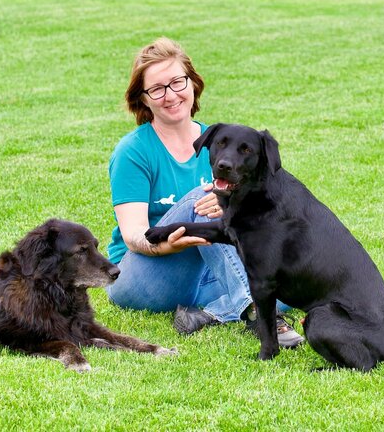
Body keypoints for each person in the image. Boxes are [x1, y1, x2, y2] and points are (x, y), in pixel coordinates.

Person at [105, 37, 303, 348]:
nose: (170, 95)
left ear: (193, 84)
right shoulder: (133, 151)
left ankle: (208, 313)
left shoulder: (223, 142)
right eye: (157, 89)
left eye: (177, 82)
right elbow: (134, 235)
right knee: (204, 199)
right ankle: (257, 313)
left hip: (201, 273)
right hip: (141, 274)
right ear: (144, 99)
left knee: (290, 280)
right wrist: (168, 246)